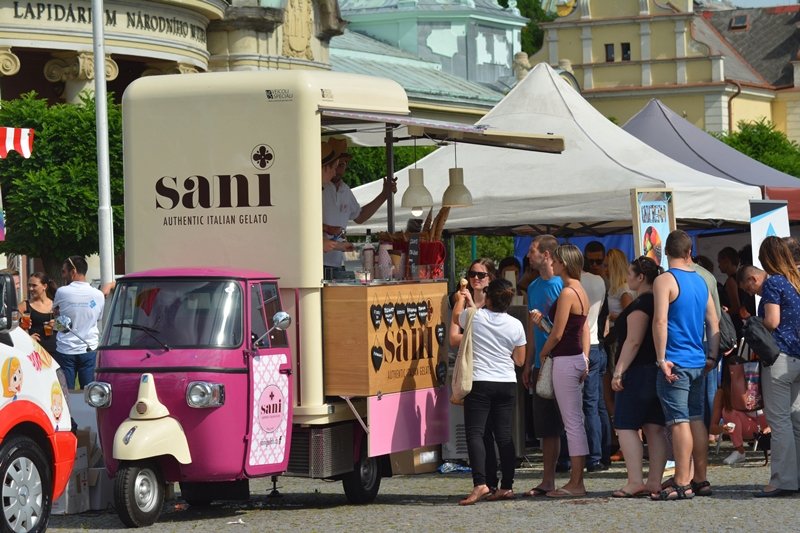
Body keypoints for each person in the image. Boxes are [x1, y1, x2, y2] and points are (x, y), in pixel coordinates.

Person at [652, 230, 719, 500]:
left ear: (666, 253)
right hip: (697, 360)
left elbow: (660, 321)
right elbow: (713, 321)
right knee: (695, 420)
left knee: (678, 422)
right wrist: (711, 357)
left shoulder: (664, 280)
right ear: (689, 252)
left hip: (675, 360)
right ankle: (700, 478)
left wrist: (660, 358)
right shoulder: (702, 281)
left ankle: (682, 480)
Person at [738, 237, 800, 497]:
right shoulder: (794, 280)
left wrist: (754, 323)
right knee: (796, 420)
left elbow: (772, 321)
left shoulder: (774, 281)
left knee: (779, 421)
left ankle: (783, 480)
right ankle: (795, 477)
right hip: (798, 358)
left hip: (779, 357)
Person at [456, 279, 527, 505]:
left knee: (475, 433)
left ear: (488, 298)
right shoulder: (516, 324)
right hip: (506, 382)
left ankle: (481, 483)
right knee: (504, 436)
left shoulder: (474, 316)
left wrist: (461, 298)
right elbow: (519, 359)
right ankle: (506, 486)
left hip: (480, 381)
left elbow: (457, 319)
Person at [530, 243, 590, 498]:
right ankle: (576, 481)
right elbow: (578, 329)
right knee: (574, 421)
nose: (552, 263)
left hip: (565, 359)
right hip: (574, 357)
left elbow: (557, 332)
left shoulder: (567, 292)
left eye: (555, 259)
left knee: (572, 423)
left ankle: (576, 482)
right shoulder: (580, 290)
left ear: (563, 262)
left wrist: (544, 353)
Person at [610, 256, 669, 497]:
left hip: (638, 372)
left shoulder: (641, 305)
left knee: (625, 426)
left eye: (631, 274)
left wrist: (618, 371)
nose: (627, 278)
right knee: (655, 427)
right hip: (656, 370)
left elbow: (633, 341)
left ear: (641, 277)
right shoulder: (659, 301)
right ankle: (654, 481)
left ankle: (635, 480)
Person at [450, 258, 500, 493]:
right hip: (473, 372)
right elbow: (453, 338)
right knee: (477, 432)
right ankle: (483, 481)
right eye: (472, 274)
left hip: (494, 372)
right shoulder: (460, 300)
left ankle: (494, 481)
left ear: (491, 278)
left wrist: (472, 333)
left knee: (495, 432)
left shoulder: (495, 302)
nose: (476, 279)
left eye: (481, 275)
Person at [521, 235, 564, 497]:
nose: (527, 255)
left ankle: (572, 479)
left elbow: (565, 329)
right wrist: (528, 363)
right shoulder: (534, 287)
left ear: (547, 255)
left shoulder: (563, 286)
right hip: (540, 364)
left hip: (561, 361)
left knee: (566, 422)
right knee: (546, 426)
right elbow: (531, 330)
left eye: (532, 251)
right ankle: (548, 479)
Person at [322, 137, 395, 278]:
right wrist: (327, 228)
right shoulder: (320, 187)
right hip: (318, 260)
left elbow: (360, 216)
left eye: (342, 165)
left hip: (338, 261)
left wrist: (384, 195)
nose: (337, 171)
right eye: (335, 166)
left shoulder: (345, 190)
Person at [53, 256, 105, 390]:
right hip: (89, 347)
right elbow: (98, 318)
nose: (63, 275)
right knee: (88, 393)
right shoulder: (98, 294)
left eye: (64, 271)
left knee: (65, 393)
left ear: (73, 271)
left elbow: (56, 313)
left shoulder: (62, 292)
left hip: (65, 348)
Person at [580, 245, 611, 472]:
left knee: (591, 405)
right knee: (597, 404)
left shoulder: (576, 283)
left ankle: (595, 456)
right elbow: (605, 316)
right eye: (591, 261)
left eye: (598, 261)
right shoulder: (600, 282)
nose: (594, 265)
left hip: (589, 346)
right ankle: (602, 454)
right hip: (598, 345)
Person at [708, 369, 769, 466]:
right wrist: (722, 429)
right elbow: (712, 428)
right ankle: (739, 451)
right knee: (728, 411)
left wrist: (769, 427)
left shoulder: (755, 385)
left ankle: (776, 446)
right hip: (739, 428)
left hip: (763, 425)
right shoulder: (722, 393)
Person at [19, 272, 58, 355]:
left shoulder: (55, 305)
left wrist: (56, 325)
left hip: (55, 351)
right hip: (35, 352)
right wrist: (26, 336)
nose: (30, 288)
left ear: (45, 286)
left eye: (34, 285)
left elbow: (67, 328)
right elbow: (12, 328)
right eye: (29, 285)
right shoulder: (24, 305)